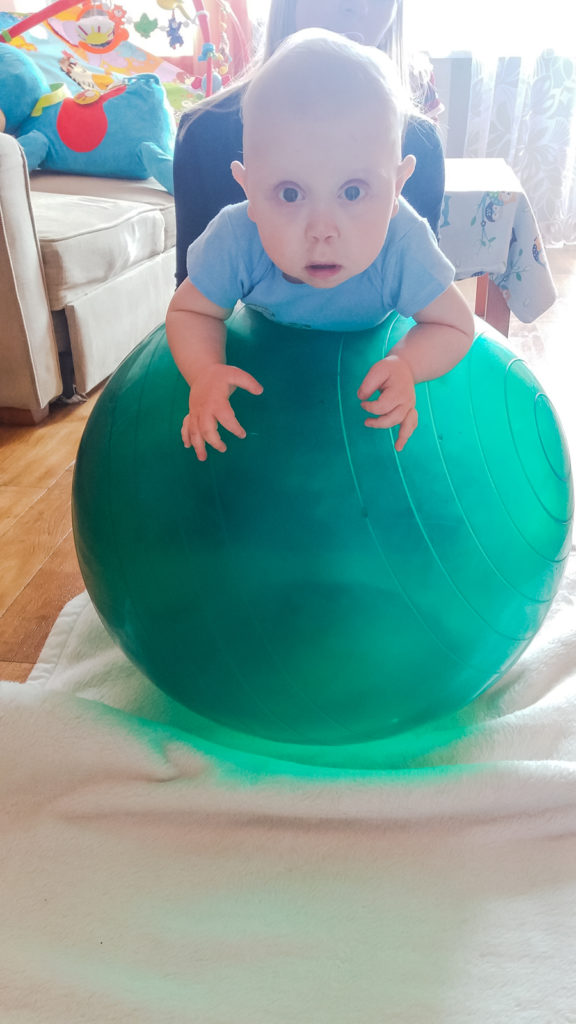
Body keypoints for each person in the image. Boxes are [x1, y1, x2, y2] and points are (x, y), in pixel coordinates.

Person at [166, 29, 474, 463]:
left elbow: (455, 325)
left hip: (364, 368)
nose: (322, 230)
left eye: (353, 192)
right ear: (248, 189)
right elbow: (190, 311)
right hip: (269, 368)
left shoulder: (402, 243)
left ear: (397, 187)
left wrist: (407, 364)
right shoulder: (236, 237)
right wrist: (206, 371)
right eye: (290, 193)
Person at [173, 0, 446, 287]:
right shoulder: (203, 132)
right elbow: (192, 300)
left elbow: (426, 301)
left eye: (353, 192)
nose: (358, 6)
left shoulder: (421, 143)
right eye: (289, 194)